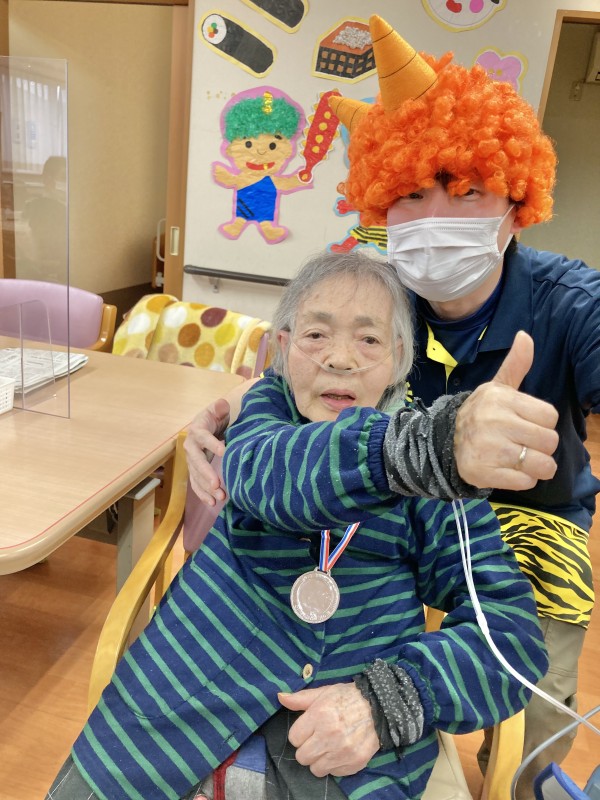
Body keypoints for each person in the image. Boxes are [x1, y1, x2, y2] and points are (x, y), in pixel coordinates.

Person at [188, 16, 600, 798]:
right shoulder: (375, 294)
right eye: (411, 193)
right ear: (381, 202)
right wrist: (222, 421)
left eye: (467, 190)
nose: (437, 215)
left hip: (530, 523)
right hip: (385, 510)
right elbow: (291, 368)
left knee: (534, 697)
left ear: (515, 200)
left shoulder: (571, 304)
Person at [46, 252, 548, 800]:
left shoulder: (435, 482)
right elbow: (270, 477)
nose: (340, 358)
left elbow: (513, 636)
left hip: (348, 761)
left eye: (369, 340)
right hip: (180, 707)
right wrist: (421, 451)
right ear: (283, 349)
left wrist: (390, 699)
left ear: (400, 359)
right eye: (315, 335)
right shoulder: (266, 418)